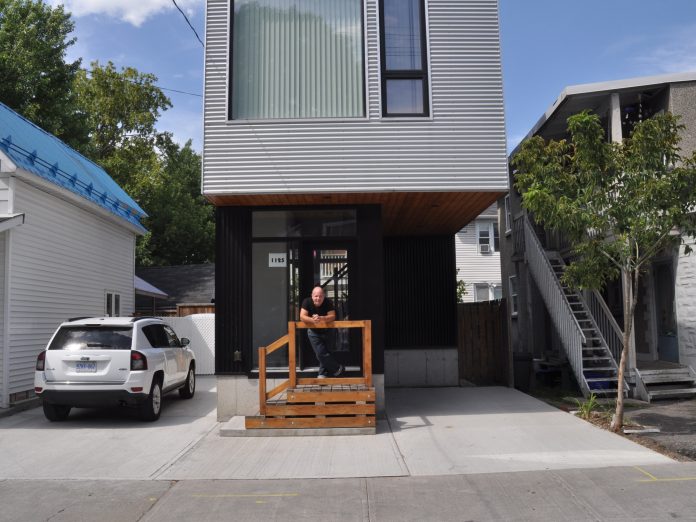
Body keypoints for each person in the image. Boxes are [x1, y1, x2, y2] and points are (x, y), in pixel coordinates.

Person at [300, 286, 344, 378]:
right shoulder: (306, 302)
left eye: (320, 296)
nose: (318, 298)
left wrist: (321, 318)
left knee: (326, 352)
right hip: (313, 332)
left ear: (324, 296)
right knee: (320, 353)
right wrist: (313, 320)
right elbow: (302, 316)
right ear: (312, 296)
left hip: (328, 330)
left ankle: (322, 373)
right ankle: (338, 369)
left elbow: (332, 316)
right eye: (316, 296)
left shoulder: (328, 302)